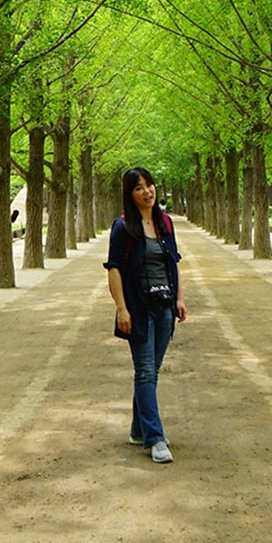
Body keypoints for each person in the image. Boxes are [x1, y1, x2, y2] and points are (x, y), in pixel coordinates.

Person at [104, 167, 187, 463]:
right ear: (130, 194)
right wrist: (121, 309)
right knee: (146, 370)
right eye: (139, 188)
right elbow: (113, 269)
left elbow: (173, 261)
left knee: (151, 371)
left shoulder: (165, 222)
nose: (147, 191)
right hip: (138, 308)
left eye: (149, 185)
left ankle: (138, 430)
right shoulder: (123, 227)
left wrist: (179, 298)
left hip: (164, 306)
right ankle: (155, 439)